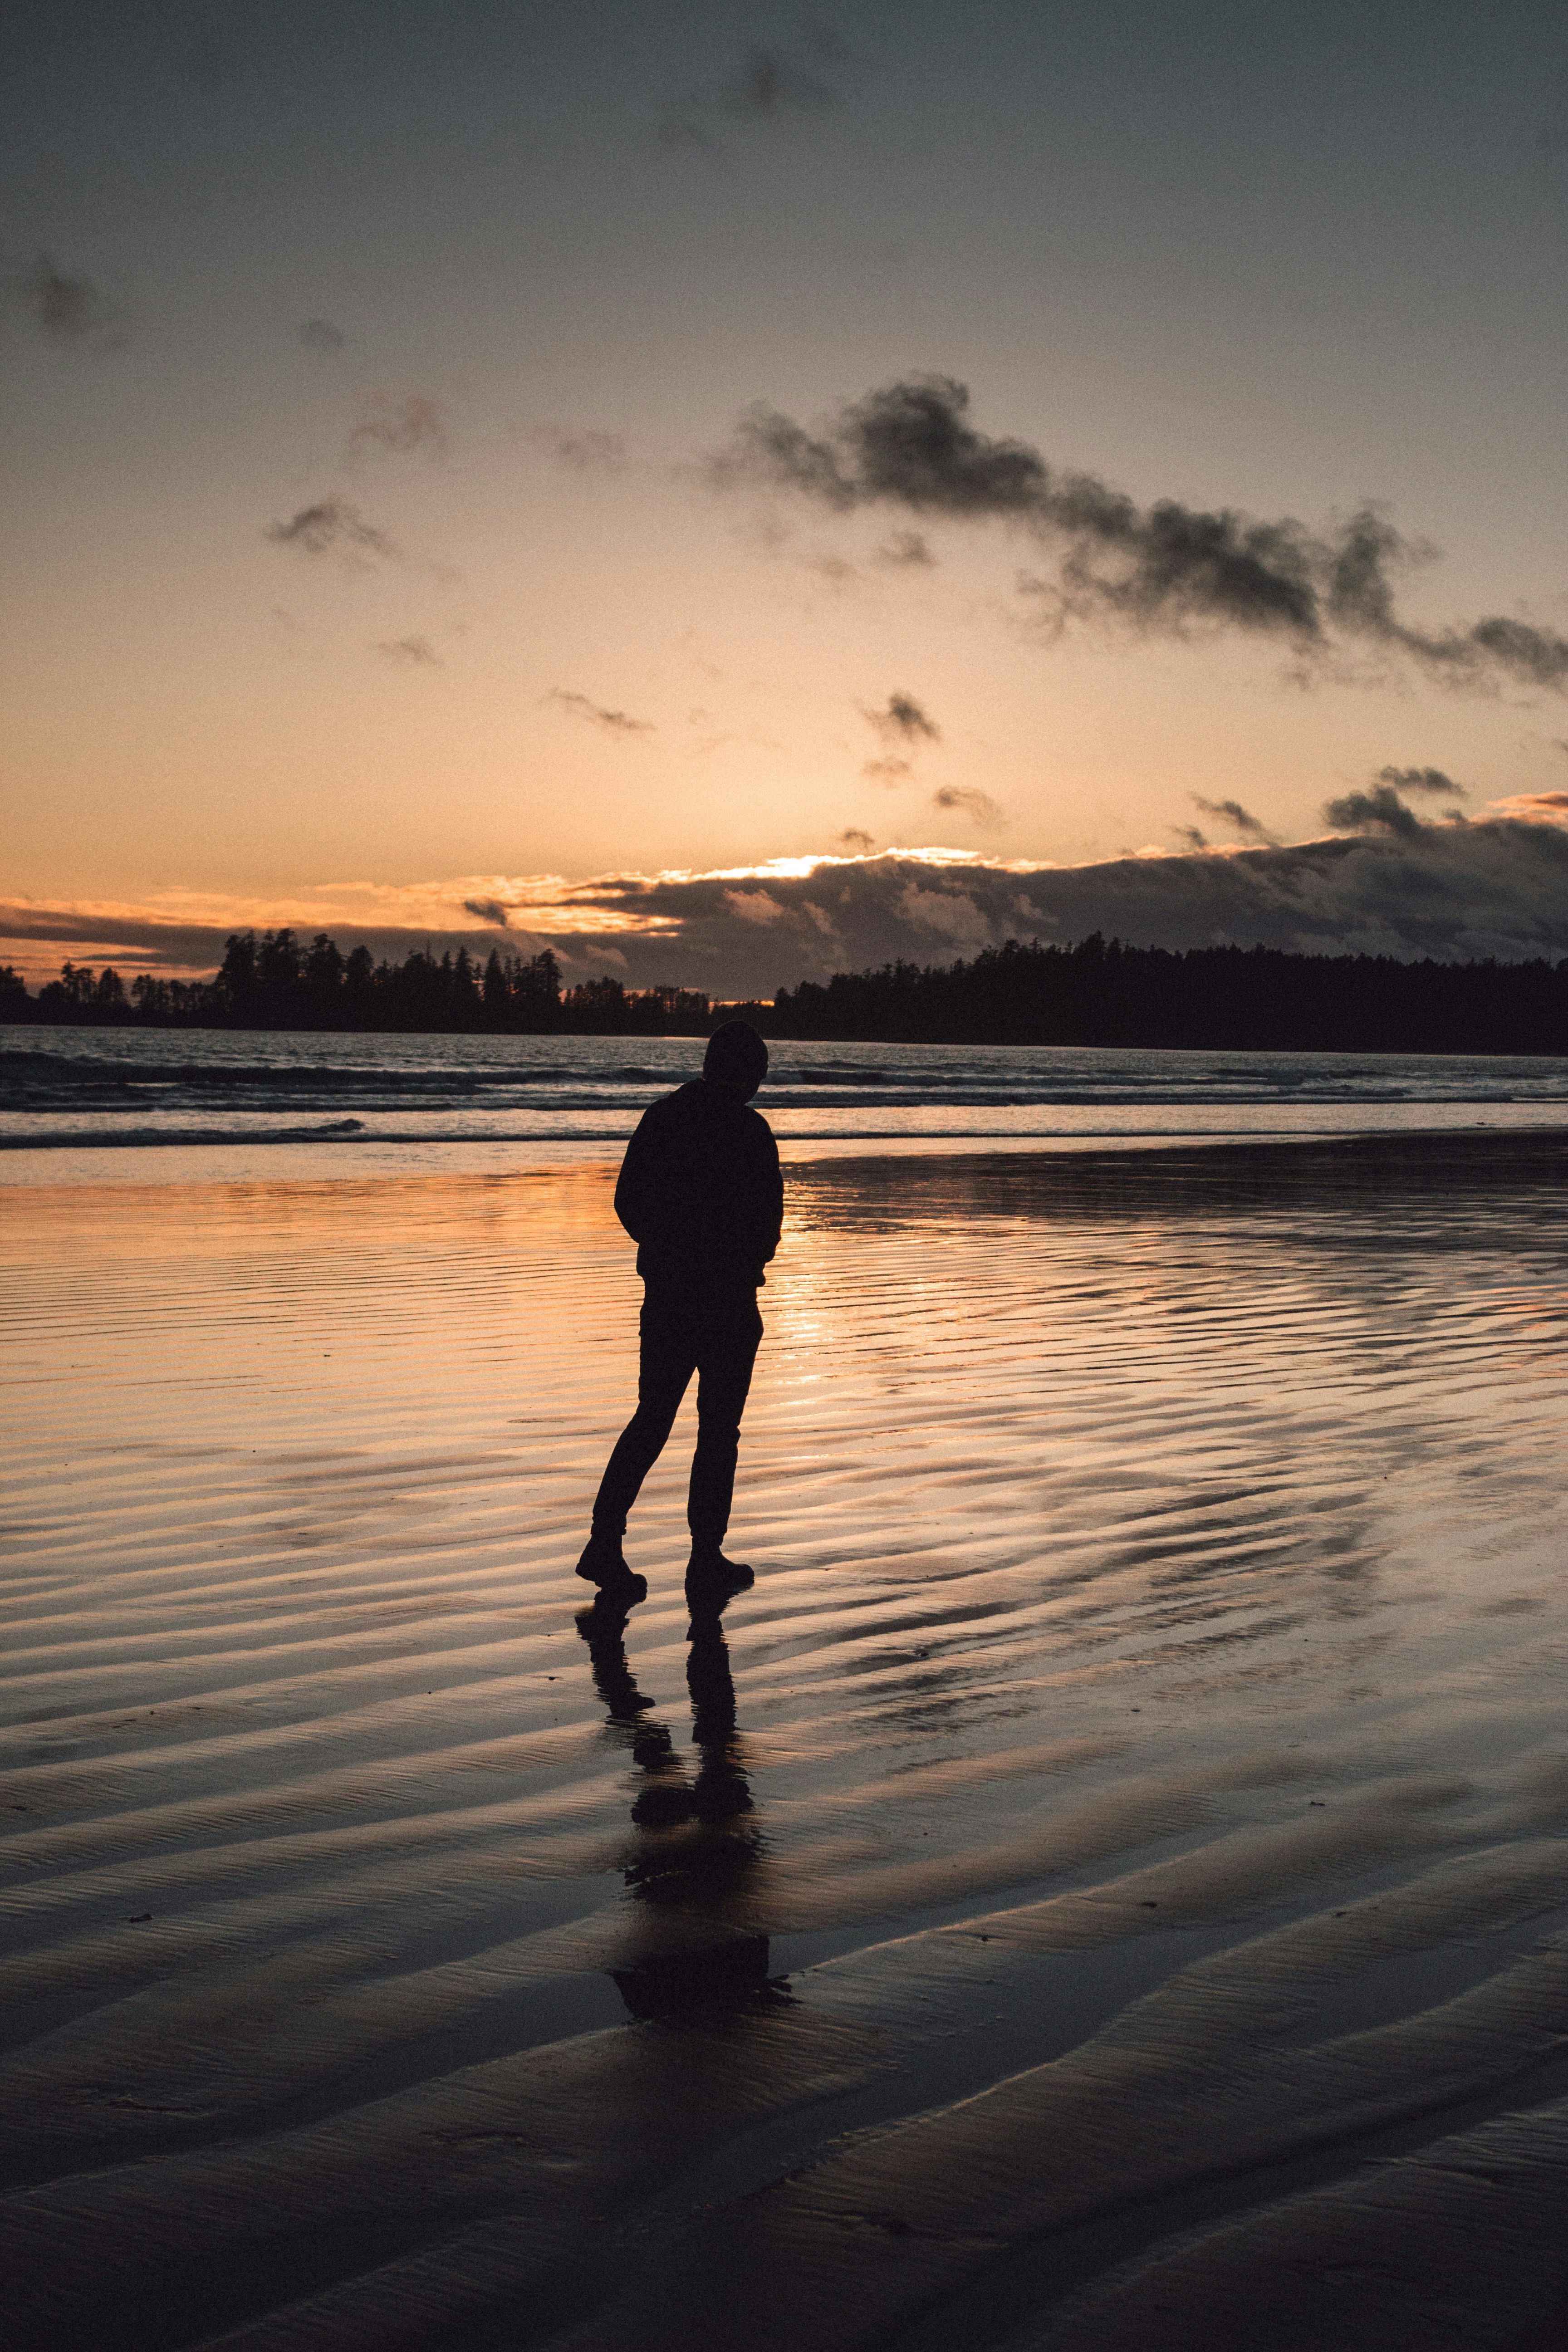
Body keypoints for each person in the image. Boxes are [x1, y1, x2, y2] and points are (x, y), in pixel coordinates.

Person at [576, 1019, 782, 1606]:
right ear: (747, 1074)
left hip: (672, 1295)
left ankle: (607, 1542)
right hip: (726, 1301)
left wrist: (664, 1254)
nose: (757, 1085)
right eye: (757, 1075)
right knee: (717, 1431)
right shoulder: (748, 1130)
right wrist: (740, 1262)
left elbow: (629, 1201)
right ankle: (702, 1555)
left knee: (655, 1419)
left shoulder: (664, 1117)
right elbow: (768, 1220)